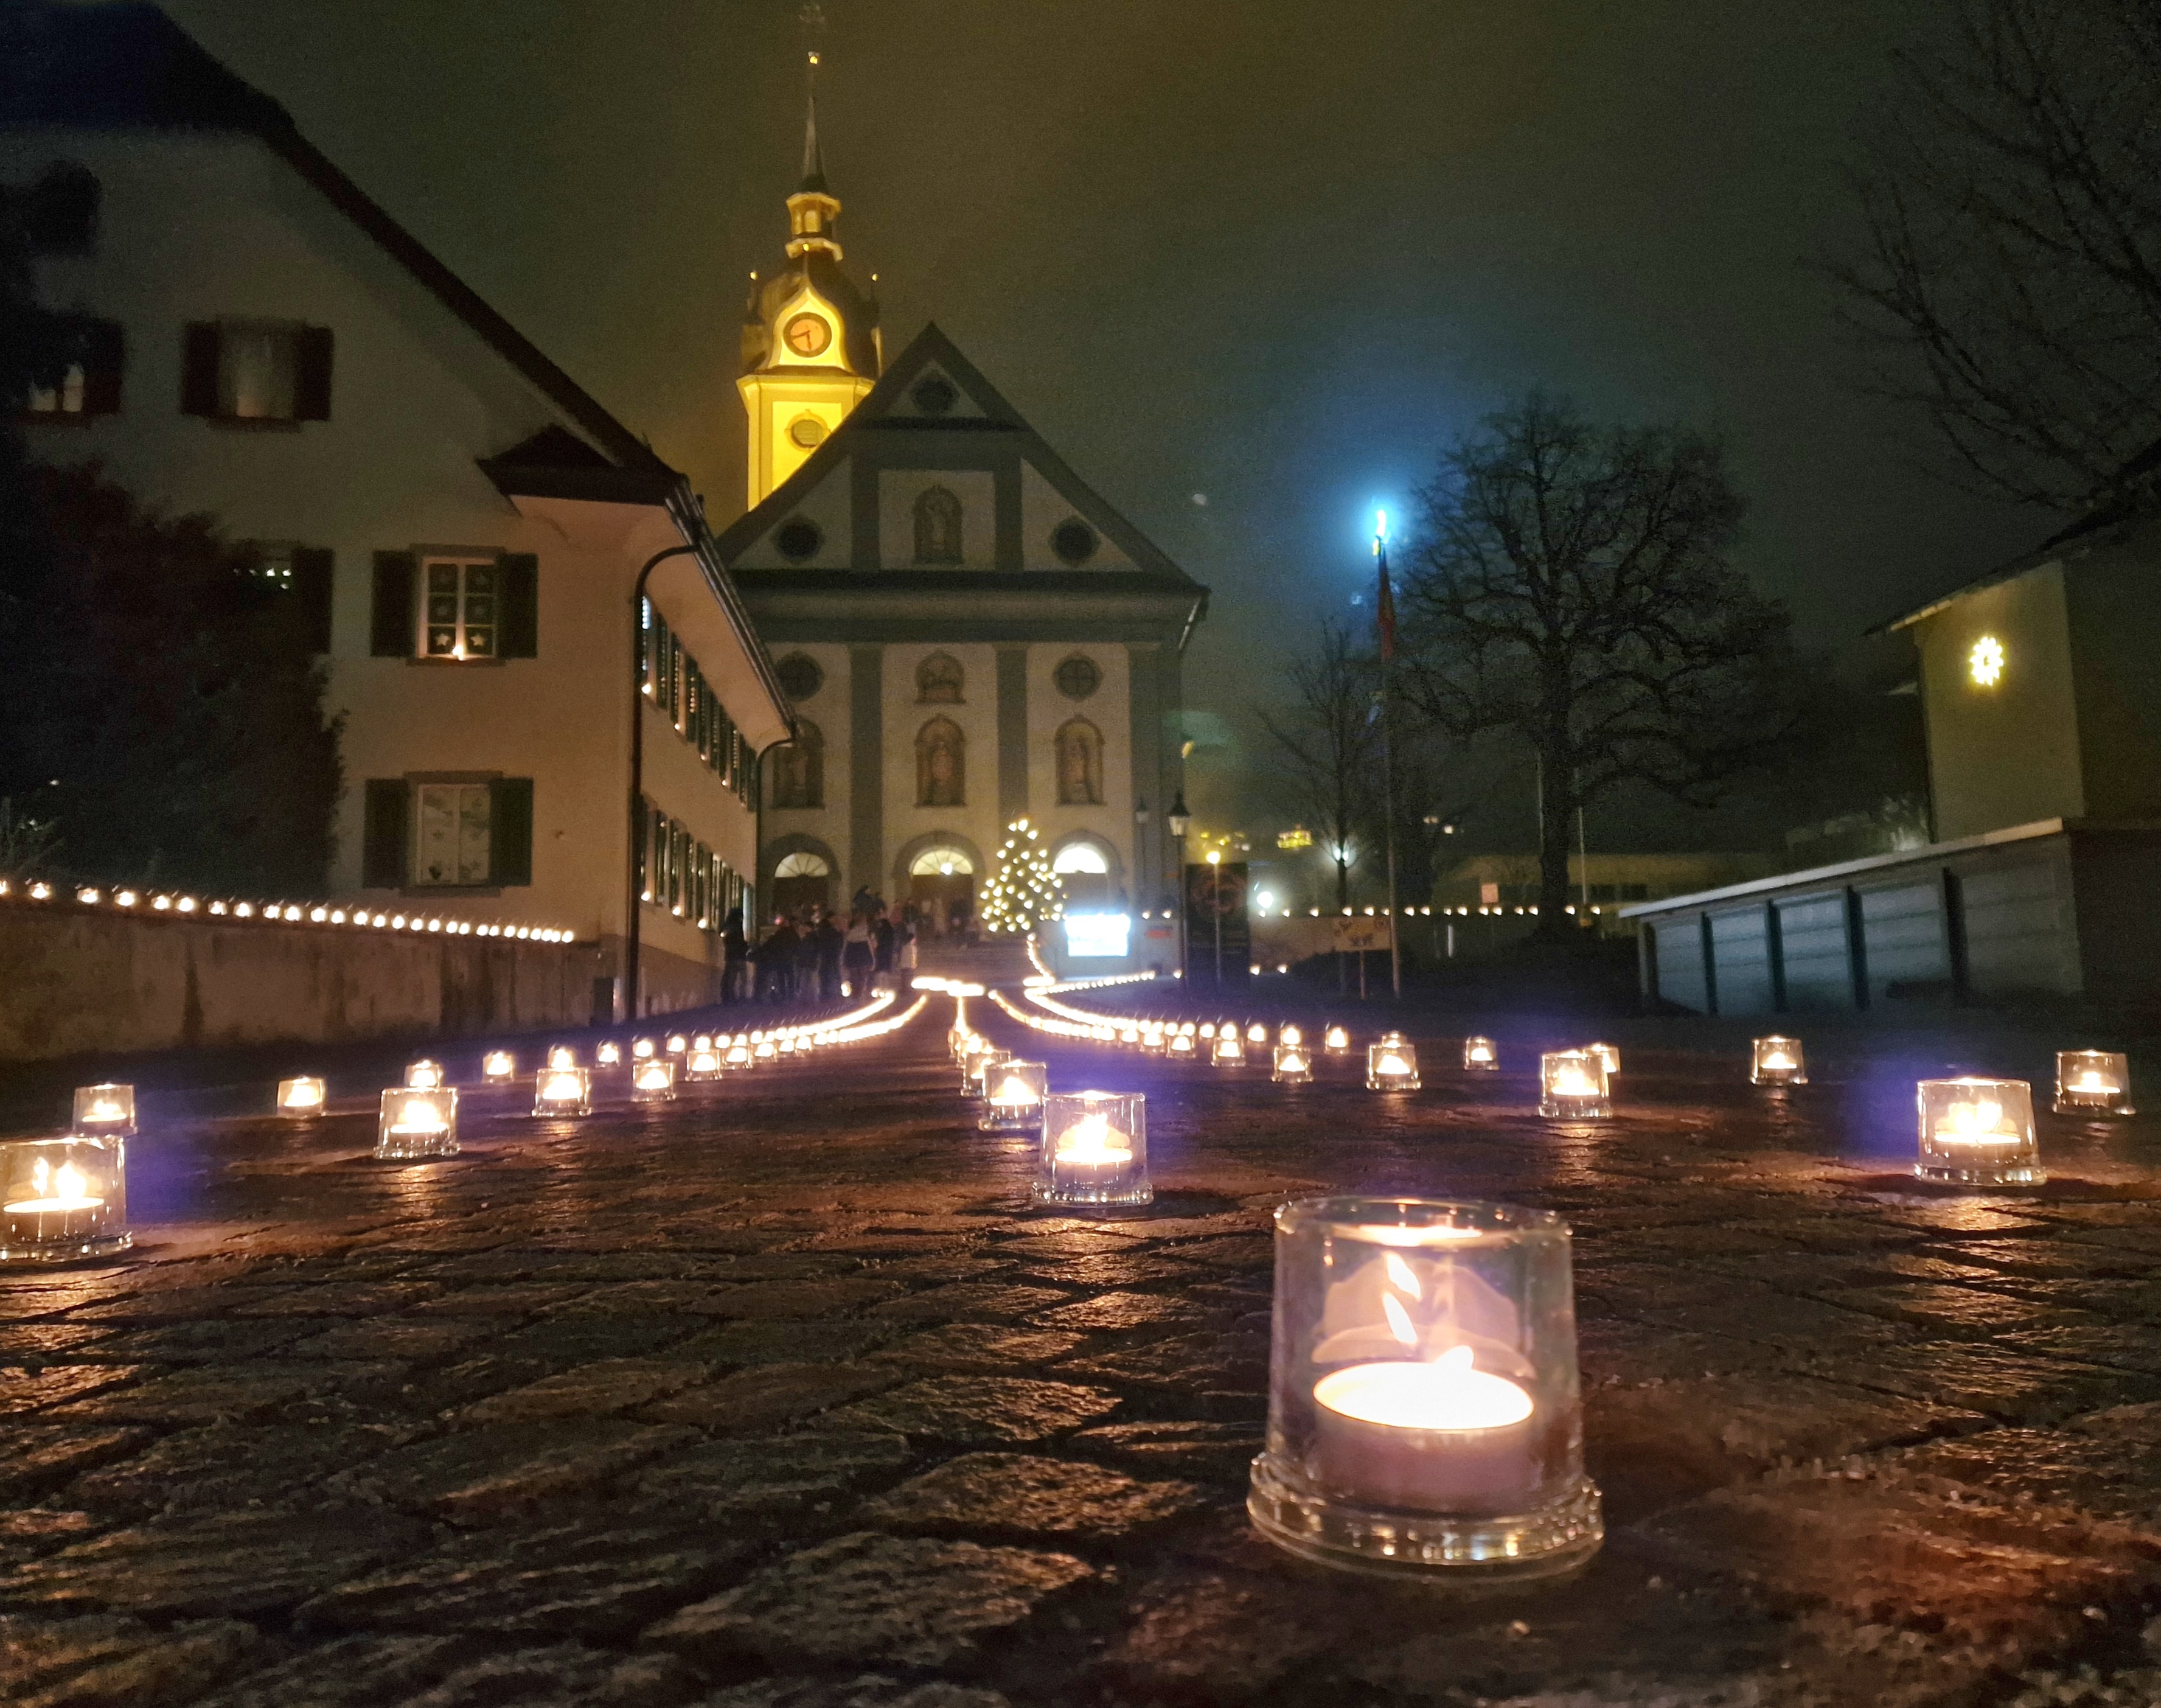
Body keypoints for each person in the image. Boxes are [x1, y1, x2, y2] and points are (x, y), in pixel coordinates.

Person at [753, 916, 798, 1002]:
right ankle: (789, 995)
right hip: (788, 959)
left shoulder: (779, 934)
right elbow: (797, 946)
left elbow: (769, 945)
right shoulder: (792, 934)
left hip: (780, 959)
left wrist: (757, 952)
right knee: (790, 977)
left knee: (781, 977)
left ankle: (782, 994)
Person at [813, 911, 846, 1002]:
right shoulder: (829, 929)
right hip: (831, 954)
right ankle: (833, 993)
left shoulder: (822, 928)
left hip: (825, 954)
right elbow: (837, 941)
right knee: (833, 973)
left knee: (825, 974)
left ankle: (825, 993)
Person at [842, 909, 875, 997]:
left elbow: (846, 947)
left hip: (852, 958)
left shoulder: (850, 933)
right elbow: (870, 947)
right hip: (864, 957)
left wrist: (844, 959)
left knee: (854, 977)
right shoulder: (866, 933)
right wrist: (872, 960)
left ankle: (855, 994)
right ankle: (859, 994)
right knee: (863, 978)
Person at [721, 905, 750, 1003]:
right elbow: (740, 942)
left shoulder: (728, 927)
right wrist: (746, 947)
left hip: (730, 956)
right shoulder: (738, 926)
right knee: (743, 978)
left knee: (731, 979)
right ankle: (742, 998)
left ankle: (730, 997)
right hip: (740, 956)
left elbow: (727, 941)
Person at [872, 908, 896, 989]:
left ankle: (880, 986)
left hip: (880, 950)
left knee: (880, 969)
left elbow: (876, 939)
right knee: (886, 969)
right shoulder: (889, 927)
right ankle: (886, 987)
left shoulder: (879, 926)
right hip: (888, 950)